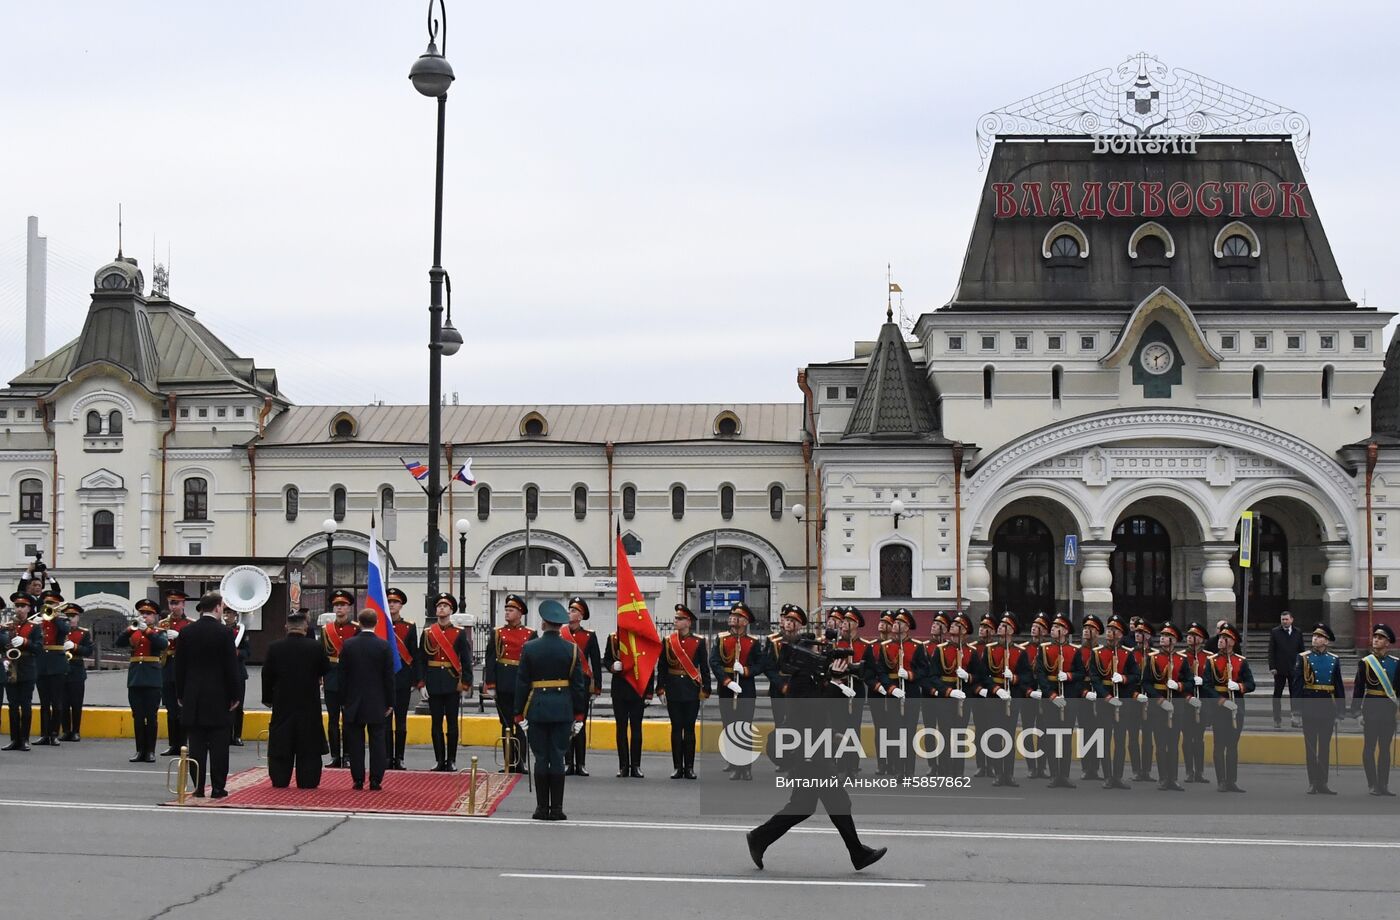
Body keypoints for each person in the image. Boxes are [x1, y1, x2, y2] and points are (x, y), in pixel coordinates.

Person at [745, 638, 887, 872]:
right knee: (836, 802)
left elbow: (819, 716)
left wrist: (833, 731)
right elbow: (814, 710)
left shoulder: (812, 677)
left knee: (803, 805)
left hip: (813, 750)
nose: (821, 657)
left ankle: (759, 838)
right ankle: (857, 853)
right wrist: (832, 682)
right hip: (807, 755)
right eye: (816, 652)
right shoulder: (800, 680)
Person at [515, 598, 589, 821]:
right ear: (560, 625)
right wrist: (579, 715)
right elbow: (578, 686)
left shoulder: (529, 648)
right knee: (557, 757)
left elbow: (522, 683)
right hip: (563, 710)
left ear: (543, 623)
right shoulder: (572, 649)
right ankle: (556, 809)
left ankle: (540, 808)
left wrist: (519, 714)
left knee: (540, 758)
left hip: (537, 709)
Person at [174, 591, 241, 798]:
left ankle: (198, 788)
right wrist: (235, 694)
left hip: (193, 695)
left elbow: (179, 666)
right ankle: (218, 787)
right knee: (219, 744)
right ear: (218, 607)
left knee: (197, 744)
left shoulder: (187, 632)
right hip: (219, 696)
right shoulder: (224, 633)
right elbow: (231, 667)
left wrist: (180, 693)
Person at [261, 610, 330, 789]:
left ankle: (280, 778)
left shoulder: (274, 647)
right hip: (309, 702)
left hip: (282, 702)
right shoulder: (315, 647)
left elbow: (266, 675)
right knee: (309, 742)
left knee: (281, 741)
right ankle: (308, 780)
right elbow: (325, 669)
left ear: (286, 627)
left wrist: (268, 698)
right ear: (305, 627)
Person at [340, 609, 394, 791]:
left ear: (359, 623)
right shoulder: (384, 646)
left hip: (353, 701)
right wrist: (390, 702)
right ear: (376, 623)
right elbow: (389, 677)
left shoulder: (348, 645)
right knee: (378, 742)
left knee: (355, 743)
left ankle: (357, 779)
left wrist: (343, 700)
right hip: (377, 701)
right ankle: (376, 780)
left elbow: (343, 676)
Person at [418, 592, 472, 772]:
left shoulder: (458, 633)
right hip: (433, 681)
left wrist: (465, 683)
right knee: (435, 723)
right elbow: (421, 660)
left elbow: (466, 660)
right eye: (439, 605)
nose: (441, 608)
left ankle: (452, 759)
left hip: (451, 682)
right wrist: (421, 683)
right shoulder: (427, 633)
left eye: (445, 606)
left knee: (452, 723)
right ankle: (439, 759)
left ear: (451, 610)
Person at [975, 613, 1031, 787]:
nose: (1000, 627)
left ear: (1012, 630)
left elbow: (1027, 676)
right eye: (1000, 625)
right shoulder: (990, 650)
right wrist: (996, 689)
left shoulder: (1019, 652)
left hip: (1011, 698)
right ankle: (998, 772)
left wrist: (1014, 678)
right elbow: (983, 675)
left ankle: (1009, 773)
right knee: (995, 737)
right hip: (995, 697)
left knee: (1008, 736)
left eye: (1004, 625)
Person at [1082, 614, 1138, 789]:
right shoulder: (1097, 653)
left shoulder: (1127, 654)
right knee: (1104, 740)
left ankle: (1118, 776)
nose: (1109, 633)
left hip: (1121, 702)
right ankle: (1107, 775)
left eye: (1114, 631)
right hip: (1105, 702)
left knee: (1120, 741)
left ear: (1121, 634)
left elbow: (1135, 676)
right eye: (1108, 630)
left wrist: (1123, 678)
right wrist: (1106, 697)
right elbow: (1094, 678)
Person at [482, 594, 535, 774]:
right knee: (505, 725)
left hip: (522, 683)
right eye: (506, 609)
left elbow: (533, 661)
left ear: (520, 613)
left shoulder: (530, 633)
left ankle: (521, 762)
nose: (507, 613)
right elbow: (490, 659)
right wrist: (491, 684)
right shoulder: (498, 633)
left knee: (520, 722)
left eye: (511, 610)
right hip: (503, 683)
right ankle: (508, 762)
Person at [657, 603, 710, 779]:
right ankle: (677, 767)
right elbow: (662, 667)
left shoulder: (699, 641)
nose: (676, 621)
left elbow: (704, 666)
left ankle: (689, 767)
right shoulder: (668, 641)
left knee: (689, 729)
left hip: (691, 689)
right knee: (675, 728)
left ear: (688, 622)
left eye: (680, 619)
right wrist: (660, 688)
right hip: (673, 688)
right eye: (676, 618)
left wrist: (706, 689)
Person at [710, 601, 763, 780]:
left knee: (745, 728)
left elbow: (761, 664)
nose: (733, 618)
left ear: (745, 621)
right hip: (727, 688)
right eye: (732, 616)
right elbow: (714, 661)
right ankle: (734, 764)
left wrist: (746, 670)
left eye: (738, 617)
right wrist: (726, 681)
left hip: (746, 688)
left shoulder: (753, 642)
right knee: (730, 727)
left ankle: (746, 767)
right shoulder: (721, 638)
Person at [1292, 623, 1345, 795]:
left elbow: (1338, 686)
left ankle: (1323, 782)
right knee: (1311, 748)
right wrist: (1296, 712)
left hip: (1327, 707)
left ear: (1326, 642)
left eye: (1320, 637)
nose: (1315, 638)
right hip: (1309, 705)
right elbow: (1297, 685)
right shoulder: (1303, 657)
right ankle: (1312, 782)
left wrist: (1340, 712)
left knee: (1324, 747)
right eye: (1314, 636)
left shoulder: (1333, 659)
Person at [1034, 614, 1083, 788]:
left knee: (1066, 738)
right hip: (1051, 700)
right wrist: (1052, 695)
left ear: (1065, 631)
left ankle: (1065, 774)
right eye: (1053, 627)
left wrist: (1068, 676)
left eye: (1056, 627)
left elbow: (1081, 674)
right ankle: (1054, 774)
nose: (1052, 630)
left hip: (1068, 699)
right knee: (1051, 738)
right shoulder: (1045, 649)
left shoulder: (1074, 650)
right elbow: (1040, 674)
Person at [115, 600, 168, 762]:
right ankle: (140, 750)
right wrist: (130, 630)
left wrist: (149, 632)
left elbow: (163, 644)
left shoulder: (159, 631)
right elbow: (118, 643)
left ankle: (150, 751)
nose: (144, 616)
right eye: (142, 613)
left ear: (155, 616)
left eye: (148, 614)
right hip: (136, 679)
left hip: (152, 679)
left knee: (151, 717)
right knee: (137, 716)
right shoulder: (134, 632)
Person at [604, 620, 655, 778]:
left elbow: (649, 666)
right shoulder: (613, 638)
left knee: (636, 729)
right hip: (619, 689)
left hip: (637, 689)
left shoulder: (641, 639)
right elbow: (606, 659)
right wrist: (613, 666)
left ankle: (636, 765)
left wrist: (649, 693)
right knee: (621, 728)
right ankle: (623, 765)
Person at [1351, 623, 1398, 796]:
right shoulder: (1365, 662)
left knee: (1385, 748)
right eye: (1375, 637)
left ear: (1388, 643)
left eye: (1380, 638)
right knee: (1369, 747)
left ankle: (1383, 784)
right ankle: (1372, 784)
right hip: (1370, 709)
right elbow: (1358, 688)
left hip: (1388, 710)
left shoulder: (1396, 664)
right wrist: (1356, 711)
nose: (1376, 640)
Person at [1207, 624, 1254, 793]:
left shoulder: (1240, 661)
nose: (1220, 641)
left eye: (1224, 639)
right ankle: (1221, 780)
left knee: (1232, 745)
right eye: (1220, 638)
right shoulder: (1211, 661)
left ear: (1232, 642)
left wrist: (1239, 687)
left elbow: (1251, 684)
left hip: (1236, 707)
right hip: (1219, 707)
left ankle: (1231, 780)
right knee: (1219, 745)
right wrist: (1220, 701)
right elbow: (1207, 686)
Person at [1142, 623, 1188, 791]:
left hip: (1176, 706)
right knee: (1161, 745)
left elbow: (1189, 682)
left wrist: (1178, 686)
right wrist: (1159, 700)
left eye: (1166, 636)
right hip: (1158, 706)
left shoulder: (1181, 660)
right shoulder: (1153, 658)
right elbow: (1146, 683)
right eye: (1161, 635)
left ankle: (1173, 778)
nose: (1162, 638)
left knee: (1173, 745)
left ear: (1174, 640)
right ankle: (1163, 778)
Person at [560, 596, 602, 776]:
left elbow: (596, 663)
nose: (570, 612)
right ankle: (568, 762)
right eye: (570, 609)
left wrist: (596, 687)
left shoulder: (589, 636)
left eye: (574, 610)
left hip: (582, 684)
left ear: (581, 615)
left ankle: (581, 763)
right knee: (566, 723)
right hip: (564, 683)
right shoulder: (561, 633)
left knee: (580, 723)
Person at [320, 590, 358, 768]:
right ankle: (335, 756)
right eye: (336, 605)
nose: (339, 608)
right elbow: (321, 656)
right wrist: (320, 677)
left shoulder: (356, 629)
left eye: (342, 605)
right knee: (333, 719)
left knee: (349, 719)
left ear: (349, 608)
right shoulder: (326, 630)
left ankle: (348, 755)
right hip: (331, 678)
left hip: (351, 679)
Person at [2, 593, 42, 751]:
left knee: (25, 704)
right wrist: (4, 659)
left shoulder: (34, 627)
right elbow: (4, 647)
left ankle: (24, 739)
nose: (19, 609)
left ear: (29, 608)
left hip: (27, 668)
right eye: (17, 606)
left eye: (22, 606)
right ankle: (14, 739)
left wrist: (25, 642)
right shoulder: (9, 625)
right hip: (11, 668)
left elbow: (39, 648)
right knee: (12, 705)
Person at [385, 588, 418, 770]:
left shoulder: (409, 627)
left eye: (395, 602)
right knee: (386, 721)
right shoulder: (381, 625)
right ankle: (387, 757)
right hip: (385, 680)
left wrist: (415, 680)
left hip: (403, 679)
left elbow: (414, 655)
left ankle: (400, 757)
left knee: (401, 720)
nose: (392, 605)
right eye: (389, 601)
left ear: (401, 605)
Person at [33, 588, 70, 746]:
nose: (48, 605)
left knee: (56, 702)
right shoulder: (39, 621)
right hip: (42, 663)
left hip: (56, 664)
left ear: (58, 605)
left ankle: (54, 733)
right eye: (46, 603)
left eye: (52, 603)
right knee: (44, 702)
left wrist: (53, 616)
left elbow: (65, 630)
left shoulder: (62, 620)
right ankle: (44, 734)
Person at [158, 589, 192, 757]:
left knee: (182, 708)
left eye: (176, 603)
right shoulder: (163, 623)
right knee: (170, 708)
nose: (173, 607)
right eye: (171, 603)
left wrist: (180, 637)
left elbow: (196, 645)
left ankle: (183, 744)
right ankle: (173, 744)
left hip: (183, 667)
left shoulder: (190, 624)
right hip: (167, 666)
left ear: (183, 604)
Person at [1179, 622, 1214, 783]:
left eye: (1194, 636)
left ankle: (1199, 771)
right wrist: (1187, 696)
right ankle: (1189, 771)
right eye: (1189, 636)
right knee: (1187, 737)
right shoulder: (1181, 656)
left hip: (1202, 702)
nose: (1190, 639)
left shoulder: (1208, 657)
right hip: (1186, 702)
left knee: (1199, 738)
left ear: (1201, 639)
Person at [59, 602, 93, 741]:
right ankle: (66, 730)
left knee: (76, 703)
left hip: (76, 670)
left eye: (73, 616)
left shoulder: (83, 633)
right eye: (68, 616)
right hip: (61, 668)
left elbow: (88, 651)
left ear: (78, 617)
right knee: (63, 703)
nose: (70, 618)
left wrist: (75, 646)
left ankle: (76, 731)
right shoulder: (59, 632)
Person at [1269, 611, 1305, 728]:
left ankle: (1295, 718)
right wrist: (1272, 667)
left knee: (1295, 694)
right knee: (1277, 695)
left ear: (1291, 620)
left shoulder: (1297, 632)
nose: (1284, 621)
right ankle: (1277, 719)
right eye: (1282, 619)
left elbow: (1301, 651)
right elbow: (1271, 651)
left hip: (1294, 669)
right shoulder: (1275, 632)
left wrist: (1302, 666)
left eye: (1286, 619)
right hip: (1279, 669)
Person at [222, 606, 251, 745]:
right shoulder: (219, 629)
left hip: (238, 672)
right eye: (226, 612)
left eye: (230, 613)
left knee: (239, 705)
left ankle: (237, 735)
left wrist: (238, 653)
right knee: (224, 704)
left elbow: (247, 652)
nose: (228, 616)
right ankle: (226, 734)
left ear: (236, 615)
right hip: (223, 672)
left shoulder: (241, 631)